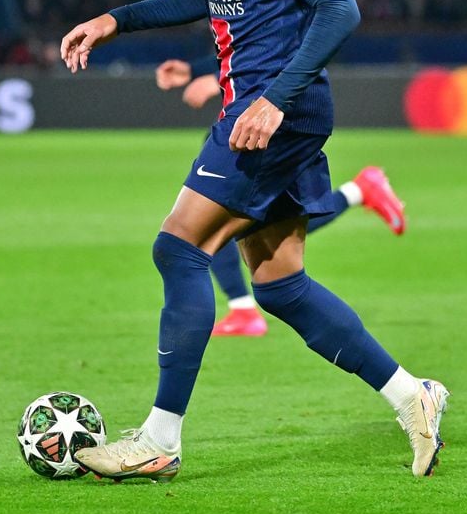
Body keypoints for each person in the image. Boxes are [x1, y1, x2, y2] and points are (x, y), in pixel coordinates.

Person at [60, 0, 448, 483]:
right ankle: (412, 394)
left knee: (178, 248)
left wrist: (272, 100)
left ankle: (159, 438)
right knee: (278, 283)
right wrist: (117, 20)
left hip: (274, 115)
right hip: (268, 111)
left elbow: (340, 8)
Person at [156, 57, 406, 337]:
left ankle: (242, 309)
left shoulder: (312, 16)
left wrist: (217, 78)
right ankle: (360, 189)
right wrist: (197, 69)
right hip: (257, 118)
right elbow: (241, 39)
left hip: (275, 121)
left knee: (217, 216)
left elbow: (280, 44)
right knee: (265, 224)